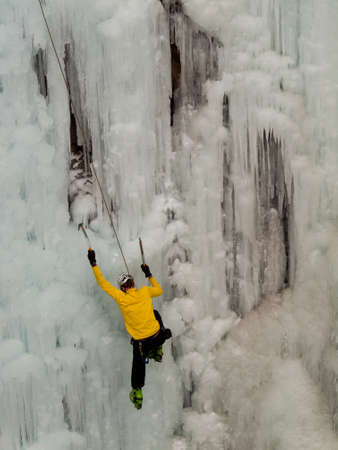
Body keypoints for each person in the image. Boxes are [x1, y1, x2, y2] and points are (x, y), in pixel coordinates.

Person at [87, 249, 172, 410]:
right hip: (159, 335)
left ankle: (137, 392)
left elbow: (103, 283)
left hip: (142, 343)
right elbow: (159, 290)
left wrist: (94, 264)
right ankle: (158, 351)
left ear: (122, 288)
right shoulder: (145, 292)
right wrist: (149, 274)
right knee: (155, 314)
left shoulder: (121, 298)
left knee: (138, 366)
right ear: (133, 284)